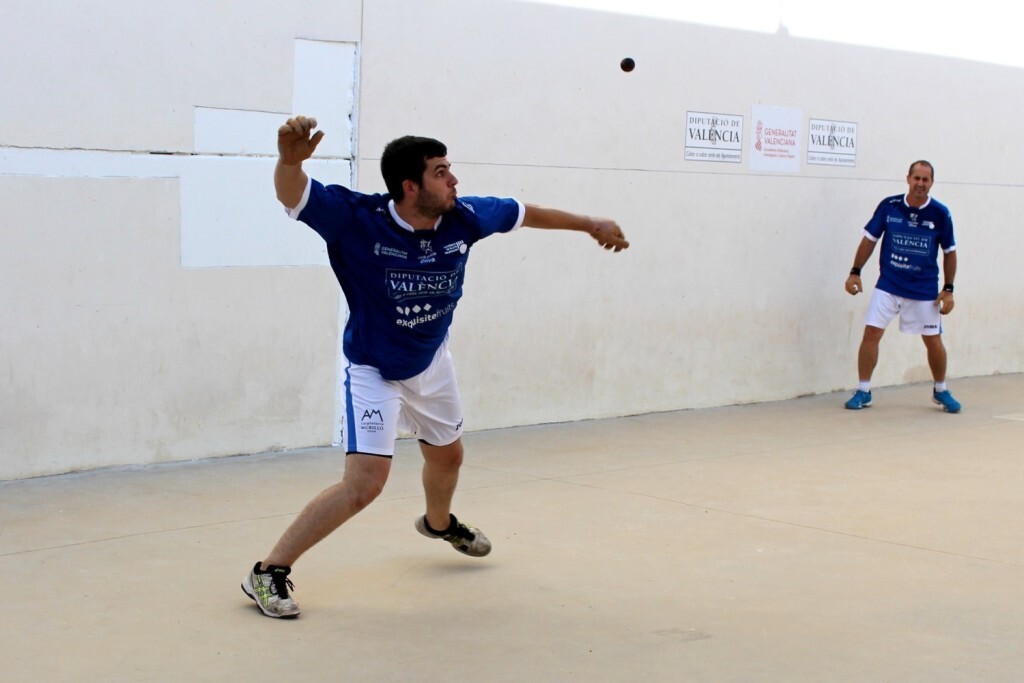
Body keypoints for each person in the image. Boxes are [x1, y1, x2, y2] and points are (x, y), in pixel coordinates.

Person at [241, 115, 630, 618]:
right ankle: (268, 570)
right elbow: (294, 195)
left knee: (449, 458)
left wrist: (590, 224)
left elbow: (525, 212)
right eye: (441, 172)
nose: (454, 180)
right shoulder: (355, 219)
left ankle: (438, 524)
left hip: (431, 363)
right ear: (410, 186)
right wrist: (289, 163)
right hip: (374, 370)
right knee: (364, 485)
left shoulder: (465, 217)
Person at [843, 160, 959, 413]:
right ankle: (863, 390)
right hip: (889, 284)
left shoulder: (940, 213)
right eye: (916, 178)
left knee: (933, 341)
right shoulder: (890, 206)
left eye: (925, 179)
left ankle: (941, 390)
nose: (920, 183)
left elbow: (949, 251)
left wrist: (949, 289)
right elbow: (870, 239)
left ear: (932, 183)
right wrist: (855, 272)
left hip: (924, 290)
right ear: (908, 179)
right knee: (871, 333)